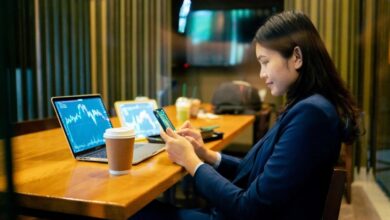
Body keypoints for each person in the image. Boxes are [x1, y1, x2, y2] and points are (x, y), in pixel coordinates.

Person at [131, 11, 361, 220]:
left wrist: (190, 161)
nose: (262, 74)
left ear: (297, 57)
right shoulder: (310, 106)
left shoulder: (311, 114)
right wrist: (206, 155)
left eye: (265, 62)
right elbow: (261, 172)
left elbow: (249, 208)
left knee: (134, 213)